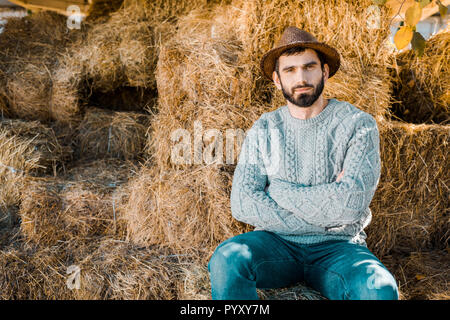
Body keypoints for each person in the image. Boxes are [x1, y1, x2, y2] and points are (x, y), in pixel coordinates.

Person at [207, 26, 399, 300]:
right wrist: (326, 204)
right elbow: (243, 202)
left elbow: (350, 205)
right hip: (275, 246)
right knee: (227, 259)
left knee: (379, 289)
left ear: (325, 71)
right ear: (277, 79)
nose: (301, 78)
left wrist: (279, 191)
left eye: (309, 67)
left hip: (339, 247)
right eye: (290, 70)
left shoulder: (358, 125)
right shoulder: (264, 128)